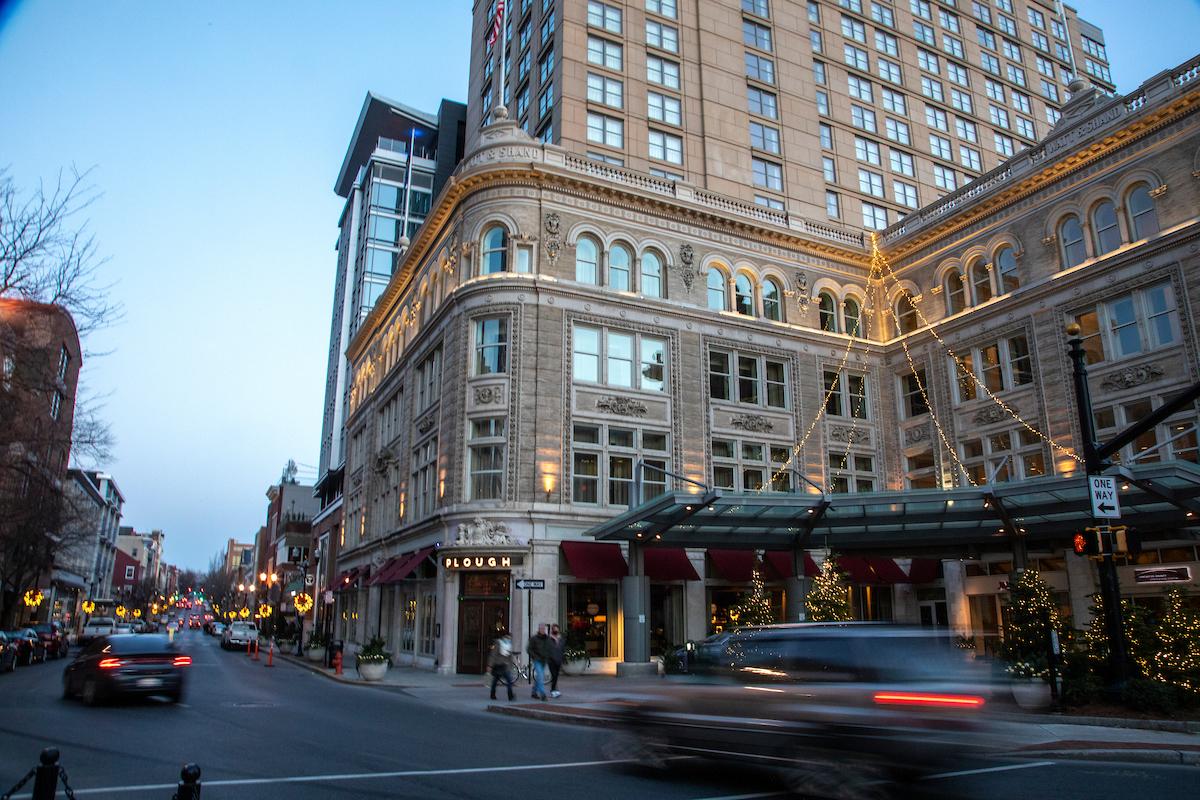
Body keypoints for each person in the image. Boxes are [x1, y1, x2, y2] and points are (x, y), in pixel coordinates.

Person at [487, 629, 515, 701]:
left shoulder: (509, 645)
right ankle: (493, 694)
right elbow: (493, 655)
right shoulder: (498, 643)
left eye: (510, 638)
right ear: (504, 637)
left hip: (505, 666)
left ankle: (510, 695)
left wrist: (510, 665)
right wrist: (490, 665)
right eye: (508, 637)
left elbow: (510, 656)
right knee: (495, 681)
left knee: (509, 680)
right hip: (498, 665)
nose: (509, 639)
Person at [527, 623, 551, 701]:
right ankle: (543, 694)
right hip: (537, 659)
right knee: (540, 676)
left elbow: (550, 648)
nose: (543, 630)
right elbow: (529, 649)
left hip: (544, 660)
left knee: (539, 677)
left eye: (544, 629)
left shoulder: (547, 638)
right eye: (541, 628)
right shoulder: (534, 638)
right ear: (539, 629)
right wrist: (535, 656)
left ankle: (534, 692)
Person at [548, 624, 565, 698]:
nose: (555, 630)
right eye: (554, 629)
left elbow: (562, 648)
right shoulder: (549, 639)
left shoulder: (561, 639)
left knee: (556, 676)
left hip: (558, 660)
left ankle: (555, 690)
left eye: (556, 629)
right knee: (554, 675)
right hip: (551, 660)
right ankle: (553, 690)